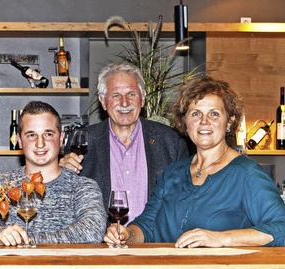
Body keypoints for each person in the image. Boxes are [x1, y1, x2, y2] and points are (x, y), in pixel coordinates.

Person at [105, 76, 285, 248]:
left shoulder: (246, 173)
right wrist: (127, 235)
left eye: (214, 114)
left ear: (229, 121)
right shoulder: (172, 173)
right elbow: (147, 225)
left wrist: (220, 238)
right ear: (185, 121)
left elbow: (281, 228)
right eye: (196, 114)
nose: (204, 122)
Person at [59, 62, 189, 222]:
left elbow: (184, 201)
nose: (125, 103)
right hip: (102, 243)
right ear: (103, 101)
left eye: (131, 94)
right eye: (115, 95)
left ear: (142, 99)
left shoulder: (171, 141)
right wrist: (61, 174)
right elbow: (66, 201)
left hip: (155, 243)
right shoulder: (83, 141)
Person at [0, 101, 106, 246]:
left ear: (61, 139)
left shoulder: (84, 187)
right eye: (31, 135)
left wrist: (26, 241)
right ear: (19, 141)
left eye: (48, 134)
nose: (40, 143)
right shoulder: (0, 185)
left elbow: (92, 231)